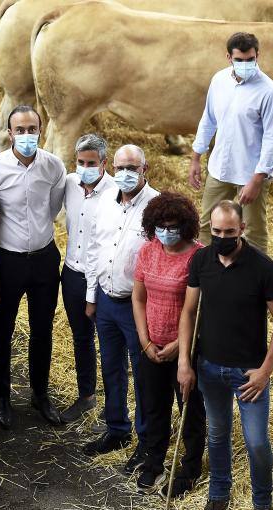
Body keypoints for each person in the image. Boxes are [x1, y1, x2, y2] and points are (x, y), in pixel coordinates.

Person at [177, 201, 273, 510]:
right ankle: (217, 499)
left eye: (229, 232)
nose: (222, 237)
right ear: (209, 229)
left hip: (248, 373)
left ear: (242, 229)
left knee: (256, 441)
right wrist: (185, 361)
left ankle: (263, 505)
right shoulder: (201, 260)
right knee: (217, 435)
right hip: (209, 367)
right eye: (216, 232)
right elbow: (188, 312)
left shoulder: (263, 267)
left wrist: (265, 370)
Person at [0, 105, 66, 429]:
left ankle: (40, 395)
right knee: (3, 329)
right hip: (7, 258)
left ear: (40, 130)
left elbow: (53, 206)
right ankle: (1, 398)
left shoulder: (53, 166)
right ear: (9, 133)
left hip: (43, 256)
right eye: (21, 130)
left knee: (42, 330)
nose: (27, 135)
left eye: (33, 129)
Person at [82, 144, 159, 475]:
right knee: (111, 367)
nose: (126, 173)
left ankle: (146, 439)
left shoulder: (156, 206)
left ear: (145, 169)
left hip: (136, 305)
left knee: (143, 374)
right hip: (106, 299)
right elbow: (94, 248)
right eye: (120, 167)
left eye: (133, 168)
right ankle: (116, 429)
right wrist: (91, 294)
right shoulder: (106, 202)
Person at [131, 192, 206, 496]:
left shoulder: (198, 256)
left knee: (189, 409)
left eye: (173, 225)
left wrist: (180, 345)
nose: (167, 231)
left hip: (184, 348)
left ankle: (189, 469)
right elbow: (138, 297)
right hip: (152, 346)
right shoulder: (148, 252)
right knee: (154, 407)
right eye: (161, 225)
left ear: (186, 226)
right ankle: (154, 463)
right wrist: (145, 341)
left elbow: (199, 310)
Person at [189, 32, 273, 253]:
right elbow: (208, 120)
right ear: (228, 57)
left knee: (253, 231)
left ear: (257, 56)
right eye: (239, 60)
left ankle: (254, 282)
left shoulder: (269, 91)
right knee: (206, 224)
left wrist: (257, 179)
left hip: (250, 173)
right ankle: (206, 274)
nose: (245, 64)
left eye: (250, 59)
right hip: (220, 167)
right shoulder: (219, 81)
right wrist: (196, 157)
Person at [59, 133, 114, 423]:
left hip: (102, 277)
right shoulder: (69, 184)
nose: (85, 167)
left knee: (108, 339)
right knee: (81, 337)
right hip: (71, 273)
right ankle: (87, 396)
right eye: (80, 161)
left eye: (91, 162)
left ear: (104, 164)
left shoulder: (115, 191)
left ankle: (113, 402)